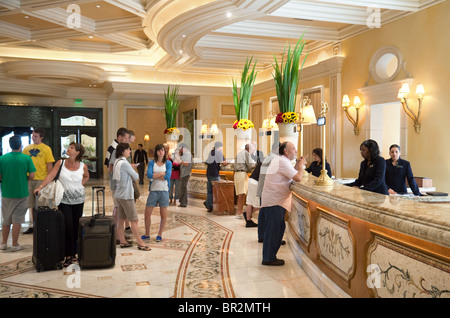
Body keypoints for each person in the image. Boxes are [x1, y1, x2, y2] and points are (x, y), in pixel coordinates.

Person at [34, 142, 89, 266]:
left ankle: (74, 253)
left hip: (79, 200)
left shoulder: (82, 166)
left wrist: (80, 185)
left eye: (72, 148)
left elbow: (86, 176)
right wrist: (40, 187)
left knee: (76, 225)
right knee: (67, 224)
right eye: (69, 147)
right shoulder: (61, 163)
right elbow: (51, 175)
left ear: (78, 152)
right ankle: (68, 254)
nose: (68, 149)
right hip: (64, 200)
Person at [260, 141, 307, 266]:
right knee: (273, 230)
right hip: (274, 200)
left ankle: (270, 256)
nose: (295, 151)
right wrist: (301, 165)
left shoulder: (282, 160)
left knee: (278, 228)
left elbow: (292, 174)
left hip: (275, 200)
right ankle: (268, 258)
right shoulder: (282, 161)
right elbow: (298, 178)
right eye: (293, 149)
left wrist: (297, 164)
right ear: (285, 151)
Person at [0, 135, 36, 252]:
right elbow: (32, 175)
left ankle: (3, 243)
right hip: (22, 193)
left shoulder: (2, 159)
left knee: (6, 219)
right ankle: (15, 244)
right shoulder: (26, 158)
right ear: (21, 145)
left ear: (10, 145)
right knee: (17, 219)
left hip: (7, 192)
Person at [113, 143, 151, 251]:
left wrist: (130, 168)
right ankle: (141, 243)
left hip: (119, 195)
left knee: (121, 219)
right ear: (123, 151)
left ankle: (123, 241)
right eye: (128, 150)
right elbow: (137, 176)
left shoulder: (117, 161)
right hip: (126, 195)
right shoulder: (124, 163)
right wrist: (132, 168)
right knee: (134, 220)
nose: (130, 151)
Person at [22, 128, 55, 234]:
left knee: (41, 204)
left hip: (41, 179)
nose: (33, 137)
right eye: (32, 135)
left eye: (36, 136)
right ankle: (33, 225)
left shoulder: (46, 149)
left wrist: (48, 180)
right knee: (31, 204)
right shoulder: (26, 149)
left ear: (41, 137)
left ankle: (42, 224)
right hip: (29, 179)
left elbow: (50, 165)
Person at [142, 144, 172, 242]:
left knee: (163, 215)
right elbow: (149, 175)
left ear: (164, 152)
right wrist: (161, 174)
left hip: (164, 191)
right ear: (156, 152)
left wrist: (155, 176)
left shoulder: (168, 163)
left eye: (162, 150)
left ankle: (159, 234)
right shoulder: (151, 163)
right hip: (153, 191)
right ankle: (147, 234)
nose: (160, 152)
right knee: (147, 213)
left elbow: (167, 176)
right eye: (159, 150)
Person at [257, 142, 280, 243]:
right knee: (265, 214)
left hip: (264, 188)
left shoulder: (269, 157)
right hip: (266, 189)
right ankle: (265, 236)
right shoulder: (273, 158)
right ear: (276, 148)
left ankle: (262, 235)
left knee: (263, 212)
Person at [204, 142, 227, 212]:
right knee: (217, 191)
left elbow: (207, 161)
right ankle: (217, 206)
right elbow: (223, 162)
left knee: (210, 190)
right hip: (215, 173)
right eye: (221, 147)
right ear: (219, 147)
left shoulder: (211, 152)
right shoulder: (219, 152)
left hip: (209, 173)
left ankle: (209, 205)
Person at [234, 143, 256, 218]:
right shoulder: (246, 153)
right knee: (242, 194)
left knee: (241, 194)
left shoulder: (240, 153)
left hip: (237, 174)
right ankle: (239, 213)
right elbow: (251, 165)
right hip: (242, 174)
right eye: (253, 149)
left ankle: (239, 212)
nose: (253, 151)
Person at [243, 160, 261, 228]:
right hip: (256, 183)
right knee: (258, 204)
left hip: (251, 180)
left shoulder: (263, 160)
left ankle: (248, 220)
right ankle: (248, 215)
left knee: (250, 202)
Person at [178, 143, 192, 207]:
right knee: (183, 188)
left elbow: (187, 164)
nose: (180, 150)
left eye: (181, 148)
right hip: (183, 173)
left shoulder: (188, 154)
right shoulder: (185, 154)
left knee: (182, 188)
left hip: (185, 174)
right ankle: (183, 203)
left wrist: (180, 161)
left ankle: (183, 202)